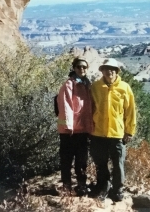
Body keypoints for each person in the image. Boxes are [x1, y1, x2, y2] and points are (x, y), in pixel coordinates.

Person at [89, 59, 136, 202]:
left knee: (118, 164)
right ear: (102, 70)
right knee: (101, 163)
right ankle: (104, 187)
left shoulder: (125, 87)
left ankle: (117, 190)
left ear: (117, 71)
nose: (110, 71)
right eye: (107, 68)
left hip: (117, 133)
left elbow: (130, 111)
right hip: (98, 133)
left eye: (113, 69)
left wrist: (129, 131)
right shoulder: (95, 87)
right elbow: (90, 109)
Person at [57, 56, 94, 195]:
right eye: (79, 66)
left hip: (83, 130)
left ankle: (81, 185)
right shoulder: (69, 84)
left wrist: (90, 128)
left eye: (84, 67)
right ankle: (67, 186)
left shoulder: (87, 85)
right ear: (74, 68)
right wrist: (68, 126)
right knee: (66, 160)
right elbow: (65, 105)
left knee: (82, 161)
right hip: (69, 132)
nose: (82, 69)